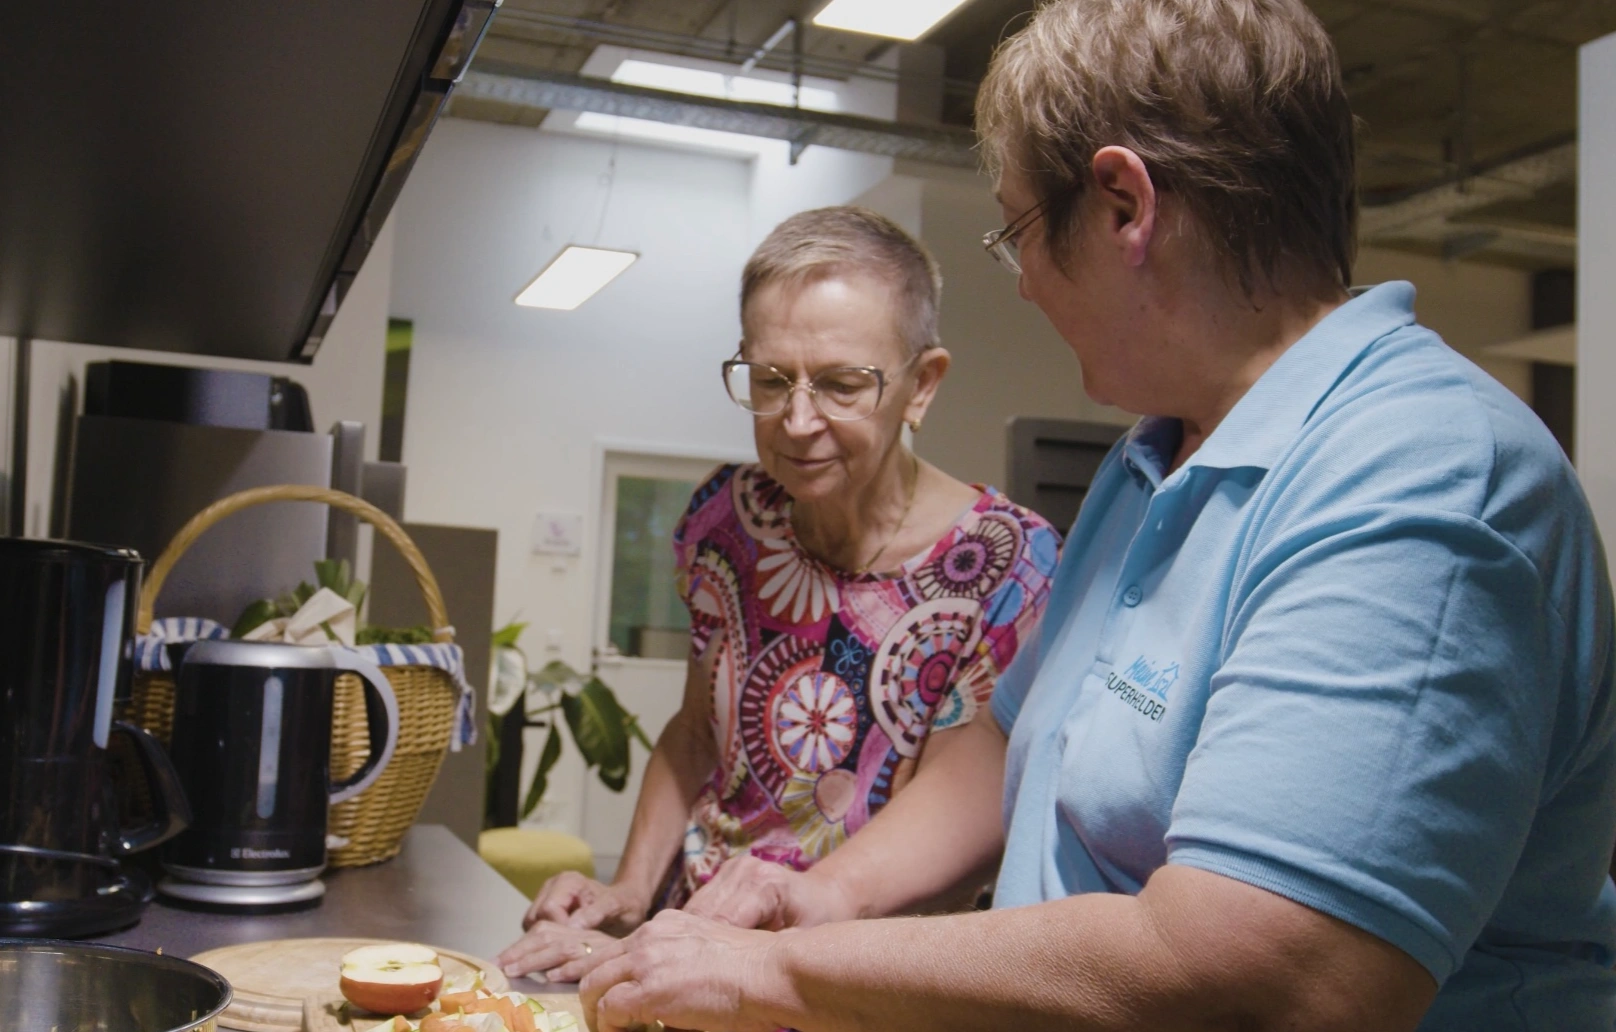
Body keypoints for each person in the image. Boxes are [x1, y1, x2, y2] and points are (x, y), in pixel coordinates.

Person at [575, 1, 1616, 1030]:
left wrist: (782, 972)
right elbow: (1009, 743)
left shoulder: (1419, 477)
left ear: (1123, 205)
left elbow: (1269, 978)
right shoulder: (1151, 459)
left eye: (1019, 232)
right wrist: (827, 894)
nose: (1024, 285)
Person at [496, 207, 1059, 983]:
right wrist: (627, 892)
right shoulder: (726, 519)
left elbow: (969, 799)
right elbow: (696, 737)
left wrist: (787, 919)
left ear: (922, 386)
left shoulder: (1003, 561)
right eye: (769, 381)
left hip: (859, 978)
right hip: (687, 946)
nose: (797, 421)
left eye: (840, 385)